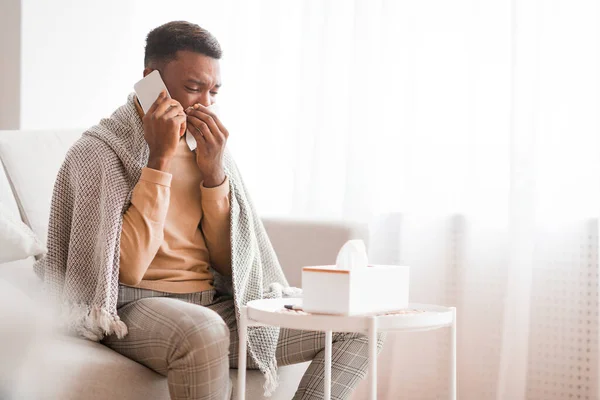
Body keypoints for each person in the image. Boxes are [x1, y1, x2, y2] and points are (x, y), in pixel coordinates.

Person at [36, 20, 383, 400]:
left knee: (361, 324)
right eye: (193, 88)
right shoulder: (99, 152)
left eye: (213, 91)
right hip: (132, 307)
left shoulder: (208, 148)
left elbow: (226, 262)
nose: (205, 103)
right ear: (151, 79)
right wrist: (159, 160)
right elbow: (129, 268)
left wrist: (214, 176)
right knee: (203, 330)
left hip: (212, 304)